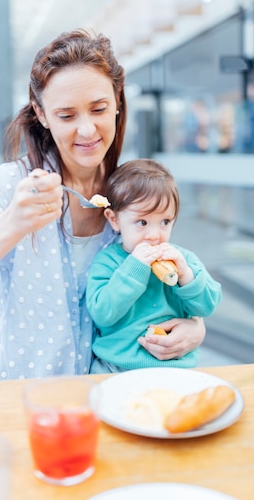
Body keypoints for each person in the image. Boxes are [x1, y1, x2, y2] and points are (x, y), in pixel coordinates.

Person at [0, 29, 206, 381]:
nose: (86, 130)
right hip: (29, 405)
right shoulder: (12, 186)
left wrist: (194, 326)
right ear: (42, 113)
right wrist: (12, 224)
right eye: (66, 115)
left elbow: (163, 286)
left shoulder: (130, 192)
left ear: (118, 102)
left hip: (115, 401)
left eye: (98, 109)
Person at [87, 158, 222, 373]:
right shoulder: (107, 262)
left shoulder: (182, 259)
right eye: (142, 223)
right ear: (114, 220)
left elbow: (208, 305)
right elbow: (103, 313)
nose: (154, 235)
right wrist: (135, 267)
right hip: (114, 368)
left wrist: (185, 275)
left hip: (175, 368)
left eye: (165, 222)